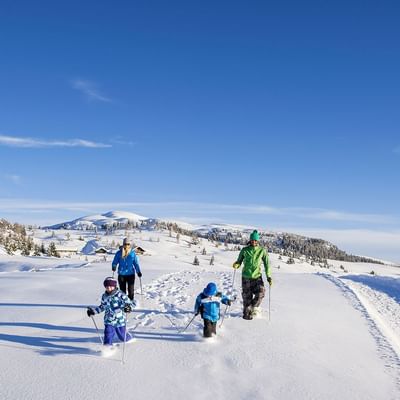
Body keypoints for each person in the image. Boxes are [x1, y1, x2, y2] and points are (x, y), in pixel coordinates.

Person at [233, 230, 272, 320]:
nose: (254, 242)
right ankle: (247, 310)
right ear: (250, 240)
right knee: (247, 312)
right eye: (252, 240)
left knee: (261, 293)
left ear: (258, 241)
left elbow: (267, 264)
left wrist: (268, 276)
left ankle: (254, 307)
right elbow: (239, 261)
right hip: (246, 277)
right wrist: (236, 264)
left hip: (257, 277)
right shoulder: (245, 250)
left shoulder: (262, 251)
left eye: (255, 240)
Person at [87, 276, 136, 347]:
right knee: (108, 333)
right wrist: (94, 311)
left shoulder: (120, 295)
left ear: (114, 286)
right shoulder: (104, 296)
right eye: (107, 287)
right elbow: (102, 307)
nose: (109, 288)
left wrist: (128, 308)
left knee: (122, 336)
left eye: (111, 286)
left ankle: (129, 338)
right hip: (109, 320)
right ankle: (107, 346)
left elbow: (131, 304)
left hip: (119, 320)